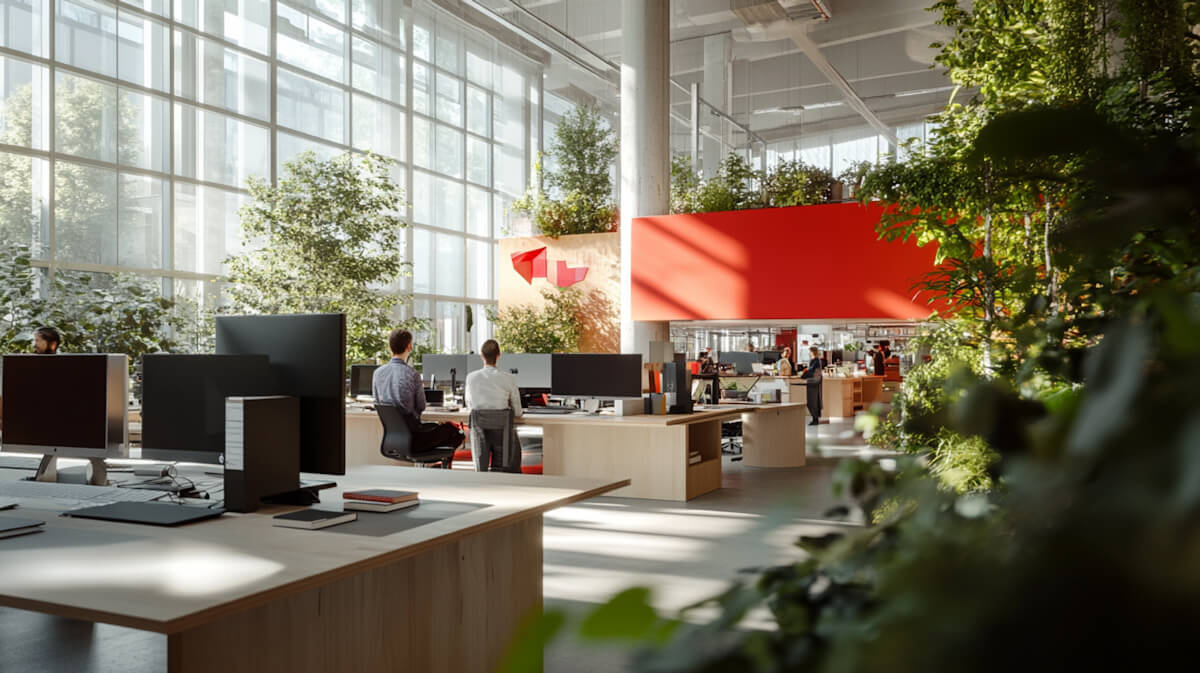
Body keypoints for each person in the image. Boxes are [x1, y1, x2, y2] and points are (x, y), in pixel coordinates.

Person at [373, 328, 464, 454]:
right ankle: (435, 463)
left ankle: (432, 463)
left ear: (390, 347)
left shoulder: (377, 374)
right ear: (409, 346)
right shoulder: (412, 374)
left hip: (391, 440)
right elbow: (421, 406)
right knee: (456, 432)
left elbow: (377, 401)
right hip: (414, 439)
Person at [464, 339, 523, 472]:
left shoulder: (471, 378)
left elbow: (470, 406)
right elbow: (518, 412)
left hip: (480, 432)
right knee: (513, 442)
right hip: (503, 435)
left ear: (481, 355)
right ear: (498, 355)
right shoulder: (509, 378)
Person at [799, 346, 823, 426]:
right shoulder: (816, 361)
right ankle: (815, 418)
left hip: (813, 383)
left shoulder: (815, 361)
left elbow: (811, 371)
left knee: (812, 402)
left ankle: (815, 418)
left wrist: (804, 375)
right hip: (814, 383)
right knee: (813, 401)